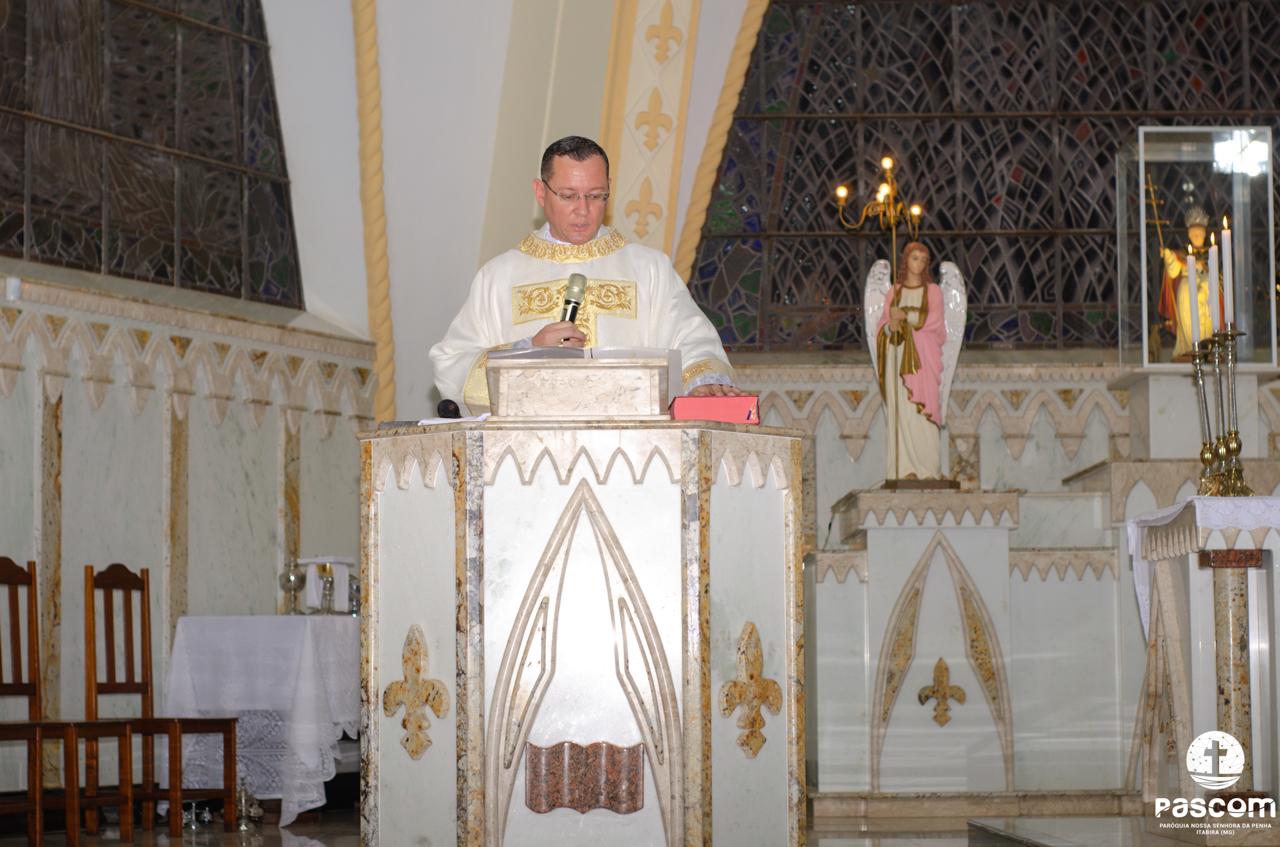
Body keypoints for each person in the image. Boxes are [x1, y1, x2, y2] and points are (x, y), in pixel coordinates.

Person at [429, 136, 741, 413]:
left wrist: (702, 380)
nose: (583, 210)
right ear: (541, 192)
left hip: (630, 444)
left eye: (595, 196)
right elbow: (451, 364)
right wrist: (527, 350)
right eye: (568, 196)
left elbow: (692, 340)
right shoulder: (499, 276)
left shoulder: (648, 269)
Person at [875, 241, 946, 479]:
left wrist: (907, 316)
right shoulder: (894, 293)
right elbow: (882, 327)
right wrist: (891, 326)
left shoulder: (933, 292)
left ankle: (928, 470)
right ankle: (904, 470)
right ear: (905, 260)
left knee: (923, 411)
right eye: (915, 258)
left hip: (923, 360)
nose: (919, 264)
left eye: (924, 260)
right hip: (898, 360)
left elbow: (936, 323)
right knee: (902, 412)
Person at [1159, 207, 1215, 361]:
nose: (1197, 237)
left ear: (1205, 234)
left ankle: (1208, 349)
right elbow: (1173, 270)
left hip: (1206, 294)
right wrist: (1169, 256)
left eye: (1200, 234)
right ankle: (1190, 348)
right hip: (1188, 294)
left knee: (1207, 322)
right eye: (1194, 234)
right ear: (1189, 235)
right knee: (1189, 323)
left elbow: (1218, 278)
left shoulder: (1212, 254)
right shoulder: (1183, 255)